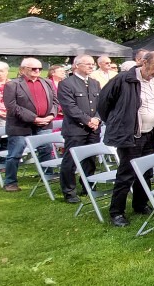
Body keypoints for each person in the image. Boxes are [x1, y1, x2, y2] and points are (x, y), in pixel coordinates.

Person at [98, 51, 154, 227]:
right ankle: (117, 212)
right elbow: (104, 103)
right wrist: (118, 122)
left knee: (146, 172)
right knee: (126, 174)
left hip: (150, 134)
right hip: (130, 135)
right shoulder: (124, 79)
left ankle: (140, 204)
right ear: (144, 62)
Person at [3, 58, 58, 192]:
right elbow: (12, 107)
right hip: (20, 125)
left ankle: (47, 175)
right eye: (33, 68)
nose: (37, 71)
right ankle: (10, 182)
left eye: (39, 68)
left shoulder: (47, 82)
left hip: (45, 123)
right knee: (15, 153)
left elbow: (55, 102)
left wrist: (51, 115)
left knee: (46, 150)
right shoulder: (12, 85)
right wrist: (34, 118)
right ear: (23, 69)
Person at [56, 55, 102, 203]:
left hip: (93, 129)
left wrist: (97, 119)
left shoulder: (94, 83)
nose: (91, 66)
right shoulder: (66, 84)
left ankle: (88, 186)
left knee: (90, 160)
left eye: (92, 64)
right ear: (76, 65)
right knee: (70, 161)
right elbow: (70, 107)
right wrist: (88, 120)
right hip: (75, 129)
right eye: (87, 64)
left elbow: (101, 104)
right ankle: (69, 191)